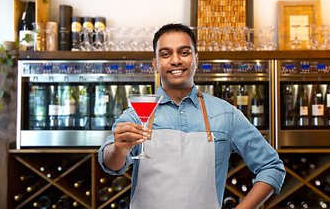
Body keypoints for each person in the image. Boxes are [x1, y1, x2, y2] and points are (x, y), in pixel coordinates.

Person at [99, 23, 286, 209]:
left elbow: (272, 167)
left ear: (196, 59)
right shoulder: (135, 115)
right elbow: (111, 164)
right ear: (155, 64)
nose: (175, 60)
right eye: (165, 54)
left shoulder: (226, 114)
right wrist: (118, 149)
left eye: (184, 52)